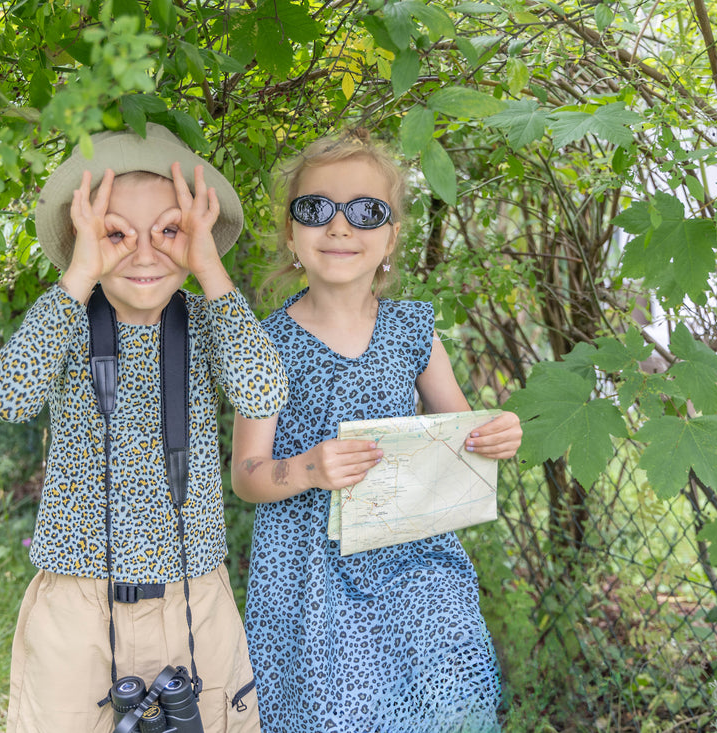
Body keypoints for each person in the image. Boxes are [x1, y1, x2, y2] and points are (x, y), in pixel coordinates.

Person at [0, 124, 287, 733]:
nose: (144, 253)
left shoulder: (207, 321)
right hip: (79, 600)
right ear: (82, 239)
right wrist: (80, 274)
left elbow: (264, 392)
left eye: (169, 231)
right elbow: (9, 397)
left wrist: (208, 267)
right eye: (115, 233)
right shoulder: (67, 321)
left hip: (192, 596)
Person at [230, 129, 523, 732]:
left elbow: (461, 435)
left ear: (391, 236)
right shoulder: (264, 344)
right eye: (315, 209)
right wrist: (310, 468)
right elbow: (247, 476)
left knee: (449, 694)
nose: (340, 227)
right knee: (342, 713)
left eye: (366, 212)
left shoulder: (413, 330)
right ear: (290, 232)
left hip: (411, 557)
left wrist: (496, 434)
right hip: (309, 574)